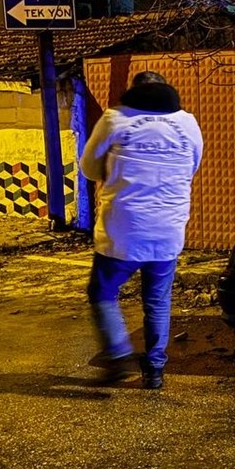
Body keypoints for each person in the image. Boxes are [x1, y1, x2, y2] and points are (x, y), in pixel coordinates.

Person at [80, 71, 203, 389]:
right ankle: (155, 370)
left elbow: (89, 167)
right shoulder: (187, 123)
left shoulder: (115, 118)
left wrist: (113, 171)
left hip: (124, 229)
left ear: (134, 91)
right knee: (158, 300)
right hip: (167, 229)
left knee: (102, 292)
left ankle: (119, 352)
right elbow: (192, 165)